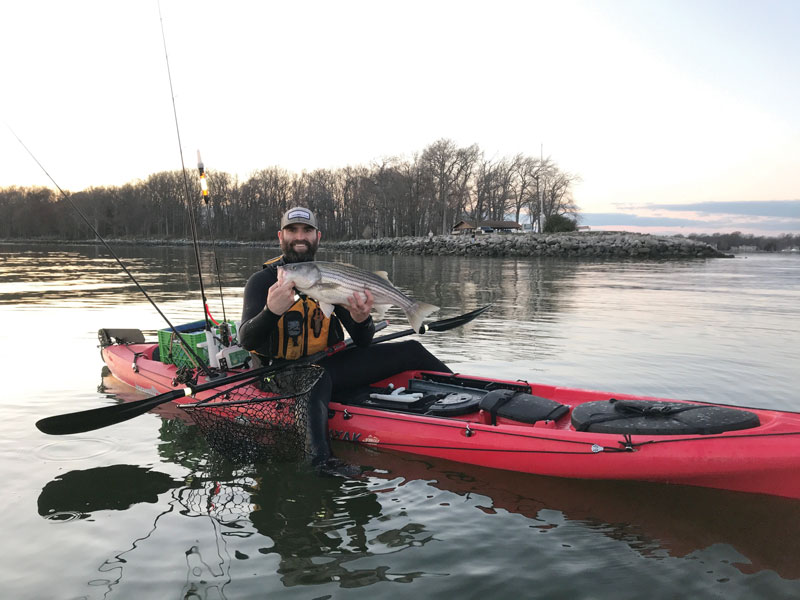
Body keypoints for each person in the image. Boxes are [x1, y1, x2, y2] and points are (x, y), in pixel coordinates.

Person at [239, 206, 450, 466]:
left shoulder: (330, 277)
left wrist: (362, 319)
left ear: (318, 237)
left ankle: (473, 394)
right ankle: (320, 461)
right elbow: (246, 340)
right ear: (280, 237)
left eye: (307, 230)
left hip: (327, 364)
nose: (299, 236)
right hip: (279, 374)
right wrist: (271, 311)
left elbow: (363, 342)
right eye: (292, 230)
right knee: (316, 379)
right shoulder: (263, 281)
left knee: (412, 350)